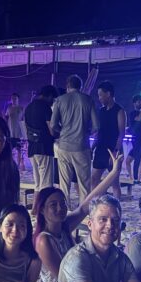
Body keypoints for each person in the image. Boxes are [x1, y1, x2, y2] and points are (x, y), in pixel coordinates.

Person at [34, 152, 124, 282]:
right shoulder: (43, 241)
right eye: (53, 205)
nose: (60, 208)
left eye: (63, 203)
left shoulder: (64, 226)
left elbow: (86, 205)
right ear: (42, 210)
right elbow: (66, 277)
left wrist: (113, 173)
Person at [49, 74, 99, 207]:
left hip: (63, 146)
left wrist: (62, 132)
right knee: (84, 184)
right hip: (82, 146)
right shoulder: (88, 100)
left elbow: (53, 125)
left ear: (67, 86)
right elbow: (96, 126)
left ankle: (64, 209)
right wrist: (86, 133)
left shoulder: (59, 100)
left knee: (64, 184)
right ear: (80, 86)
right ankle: (84, 210)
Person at [91, 81, 126, 199]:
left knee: (114, 183)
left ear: (108, 94)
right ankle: (96, 204)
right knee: (94, 179)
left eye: (101, 95)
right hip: (101, 149)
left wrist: (115, 151)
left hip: (113, 149)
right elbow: (98, 132)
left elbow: (121, 133)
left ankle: (116, 206)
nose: (99, 98)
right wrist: (92, 147)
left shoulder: (119, 111)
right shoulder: (101, 111)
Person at [25, 85, 58, 191]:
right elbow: (52, 130)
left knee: (38, 186)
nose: (53, 102)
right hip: (44, 148)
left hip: (32, 149)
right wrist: (59, 134)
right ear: (50, 96)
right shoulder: (45, 107)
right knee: (46, 186)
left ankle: (36, 202)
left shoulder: (29, 107)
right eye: (53, 99)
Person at [4, 93, 26, 168]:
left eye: (15, 98)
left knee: (19, 150)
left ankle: (18, 166)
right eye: (12, 98)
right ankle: (11, 165)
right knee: (9, 150)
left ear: (18, 99)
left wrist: (24, 133)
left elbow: (24, 120)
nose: (13, 100)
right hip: (10, 133)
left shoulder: (21, 108)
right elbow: (6, 118)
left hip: (19, 133)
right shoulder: (9, 108)